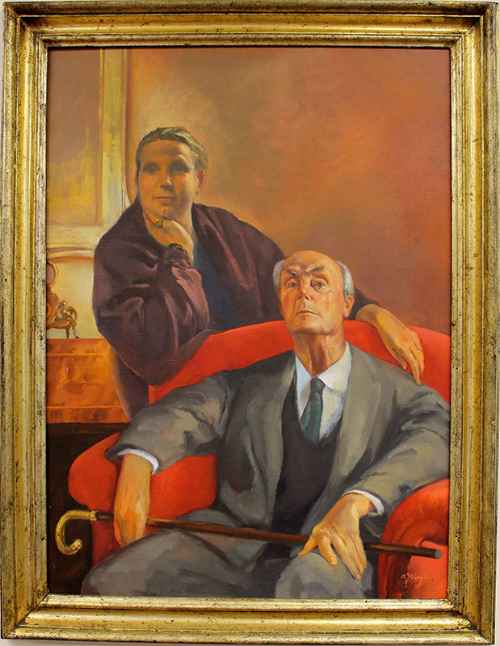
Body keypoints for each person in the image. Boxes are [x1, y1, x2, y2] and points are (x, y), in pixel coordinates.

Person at [83, 250, 449, 599]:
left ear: (347, 303)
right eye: (291, 283)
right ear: (281, 304)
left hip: (331, 554)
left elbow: (436, 434)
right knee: (112, 582)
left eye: (318, 283)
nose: (303, 291)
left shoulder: (393, 389)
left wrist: (358, 501)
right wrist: (138, 461)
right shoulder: (249, 383)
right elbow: (183, 411)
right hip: (236, 547)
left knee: (305, 588)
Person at [93, 127, 424, 418]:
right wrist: (178, 256)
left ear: (199, 180)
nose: (164, 181)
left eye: (178, 168)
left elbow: (290, 277)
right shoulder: (117, 251)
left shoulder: (223, 228)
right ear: (137, 179)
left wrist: (372, 312)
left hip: (256, 390)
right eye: (151, 169)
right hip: (180, 405)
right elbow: (154, 348)